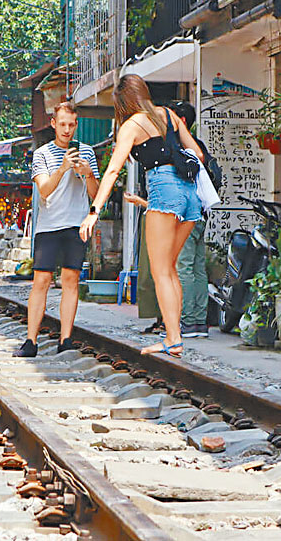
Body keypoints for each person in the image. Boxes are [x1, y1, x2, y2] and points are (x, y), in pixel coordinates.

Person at [80, 75, 204, 358]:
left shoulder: (131, 126)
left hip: (163, 189)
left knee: (161, 271)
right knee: (170, 269)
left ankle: (173, 338)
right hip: (189, 195)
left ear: (122, 102)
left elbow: (112, 171)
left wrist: (93, 211)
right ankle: (175, 337)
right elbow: (197, 153)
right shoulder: (169, 115)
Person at [13, 101, 99, 358]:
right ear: (53, 124)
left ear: (76, 125)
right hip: (49, 226)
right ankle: (31, 341)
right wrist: (62, 168)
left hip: (76, 224)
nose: (67, 130)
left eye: (71, 125)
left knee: (71, 280)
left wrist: (88, 175)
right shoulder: (42, 154)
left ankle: (66, 339)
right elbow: (44, 190)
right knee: (42, 280)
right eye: (62, 124)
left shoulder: (87, 152)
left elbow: (96, 195)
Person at [168, 100, 210, 339]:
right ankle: (200, 321)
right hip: (201, 213)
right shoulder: (199, 146)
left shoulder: (181, 149)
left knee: (183, 267)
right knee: (197, 267)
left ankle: (188, 321)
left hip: (186, 214)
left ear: (181, 122)